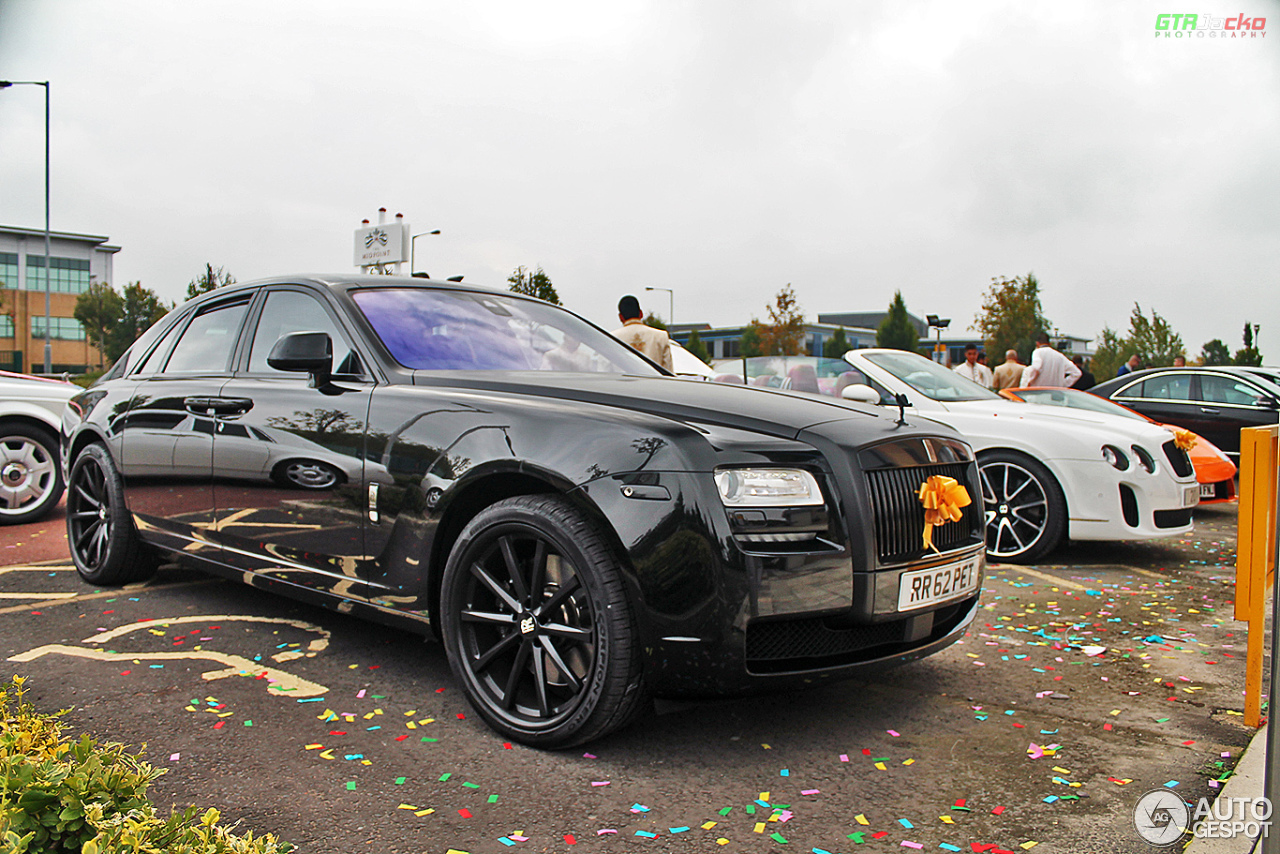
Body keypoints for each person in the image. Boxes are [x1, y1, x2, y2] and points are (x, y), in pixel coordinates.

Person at [610, 295, 673, 371]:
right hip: (654, 382)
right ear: (641, 313)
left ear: (620, 317)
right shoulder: (661, 336)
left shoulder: (611, 338)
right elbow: (668, 371)